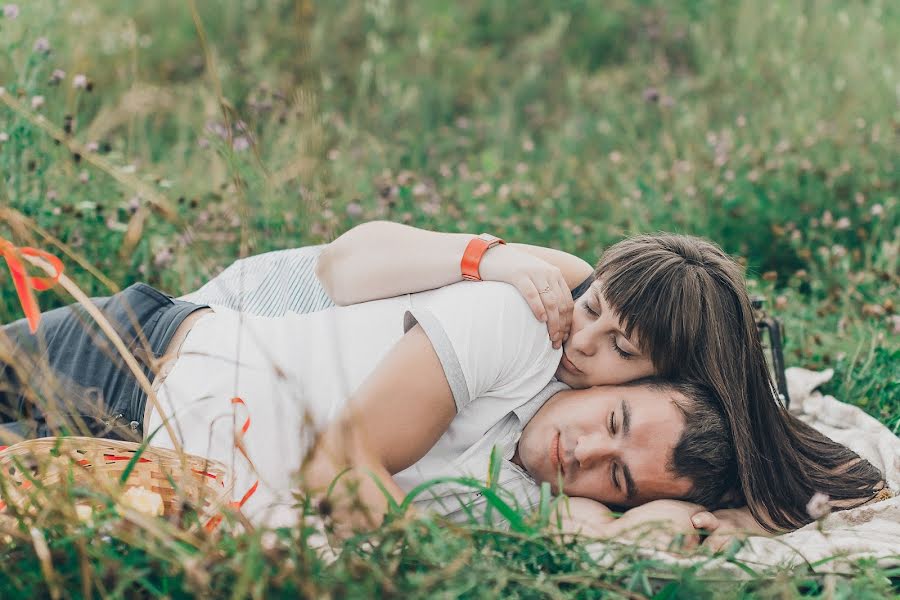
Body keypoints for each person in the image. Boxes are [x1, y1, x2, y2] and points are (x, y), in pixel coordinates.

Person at [182, 222, 886, 541]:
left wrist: (724, 516)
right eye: (594, 310)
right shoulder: (542, 298)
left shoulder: (603, 441)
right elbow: (339, 264)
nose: (580, 341)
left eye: (619, 349)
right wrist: (490, 257)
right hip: (260, 302)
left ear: (663, 378)